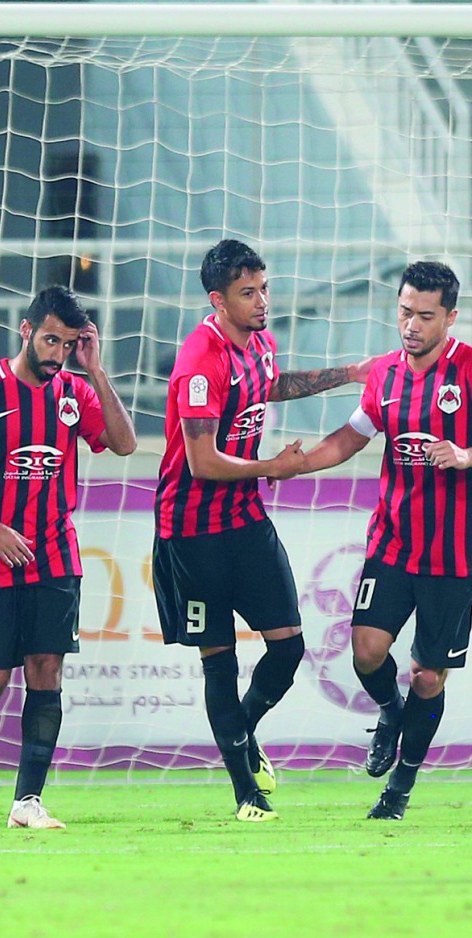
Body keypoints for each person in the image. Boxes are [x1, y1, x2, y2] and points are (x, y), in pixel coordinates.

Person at [295, 261, 472, 820]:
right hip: (393, 543)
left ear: (450, 318)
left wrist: (469, 454)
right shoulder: (385, 373)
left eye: (425, 316)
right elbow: (352, 437)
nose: (411, 325)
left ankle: (399, 788)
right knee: (366, 650)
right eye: (405, 312)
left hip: (455, 554)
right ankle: (389, 710)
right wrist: (294, 466)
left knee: (429, 674)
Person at [152, 239, 373, 823]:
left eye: (264, 289)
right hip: (192, 533)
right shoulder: (199, 360)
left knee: (290, 645)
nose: (262, 301)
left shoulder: (259, 345)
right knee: (219, 663)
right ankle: (246, 794)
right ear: (217, 300)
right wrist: (271, 466)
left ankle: (242, 736)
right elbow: (202, 462)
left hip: (246, 521)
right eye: (248, 293)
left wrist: (349, 374)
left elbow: (271, 384)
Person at [0, 286, 137, 829]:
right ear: (26, 331)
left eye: (68, 345)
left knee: (46, 672)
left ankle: (27, 802)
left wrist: (95, 371)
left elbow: (124, 444)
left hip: (54, 555)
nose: (57, 354)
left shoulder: (74, 391)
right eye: (51, 340)